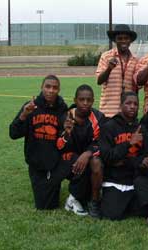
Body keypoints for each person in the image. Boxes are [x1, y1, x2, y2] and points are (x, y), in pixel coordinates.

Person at [9, 75, 67, 210]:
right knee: (43, 206)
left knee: (52, 204)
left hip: (55, 163)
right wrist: (23, 115)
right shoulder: (30, 107)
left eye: (55, 88)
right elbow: (13, 134)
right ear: (41, 88)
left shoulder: (62, 108)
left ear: (58, 90)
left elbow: (63, 138)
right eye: (48, 86)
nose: (51, 90)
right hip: (36, 163)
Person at [98, 92, 148, 220]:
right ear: (121, 105)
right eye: (128, 103)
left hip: (135, 178)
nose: (132, 106)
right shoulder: (108, 127)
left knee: (145, 210)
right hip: (114, 179)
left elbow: (147, 154)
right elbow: (107, 157)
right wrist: (129, 143)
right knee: (112, 215)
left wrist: (133, 161)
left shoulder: (141, 128)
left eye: (135, 104)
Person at [56, 84, 106, 217]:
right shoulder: (65, 117)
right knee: (76, 162)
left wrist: (87, 153)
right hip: (67, 158)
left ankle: (93, 201)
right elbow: (59, 146)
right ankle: (73, 198)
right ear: (75, 100)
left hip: (88, 156)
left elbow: (101, 142)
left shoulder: (98, 117)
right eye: (81, 99)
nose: (85, 103)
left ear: (93, 101)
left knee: (96, 163)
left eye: (88, 100)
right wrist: (66, 134)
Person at [96, 24, 139, 117]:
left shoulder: (135, 60)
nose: (123, 41)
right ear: (115, 40)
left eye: (126, 38)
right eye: (120, 38)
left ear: (130, 40)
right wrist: (109, 68)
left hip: (127, 114)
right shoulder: (106, 56)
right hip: (108, 111)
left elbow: (136, 88)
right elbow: (99, 81)